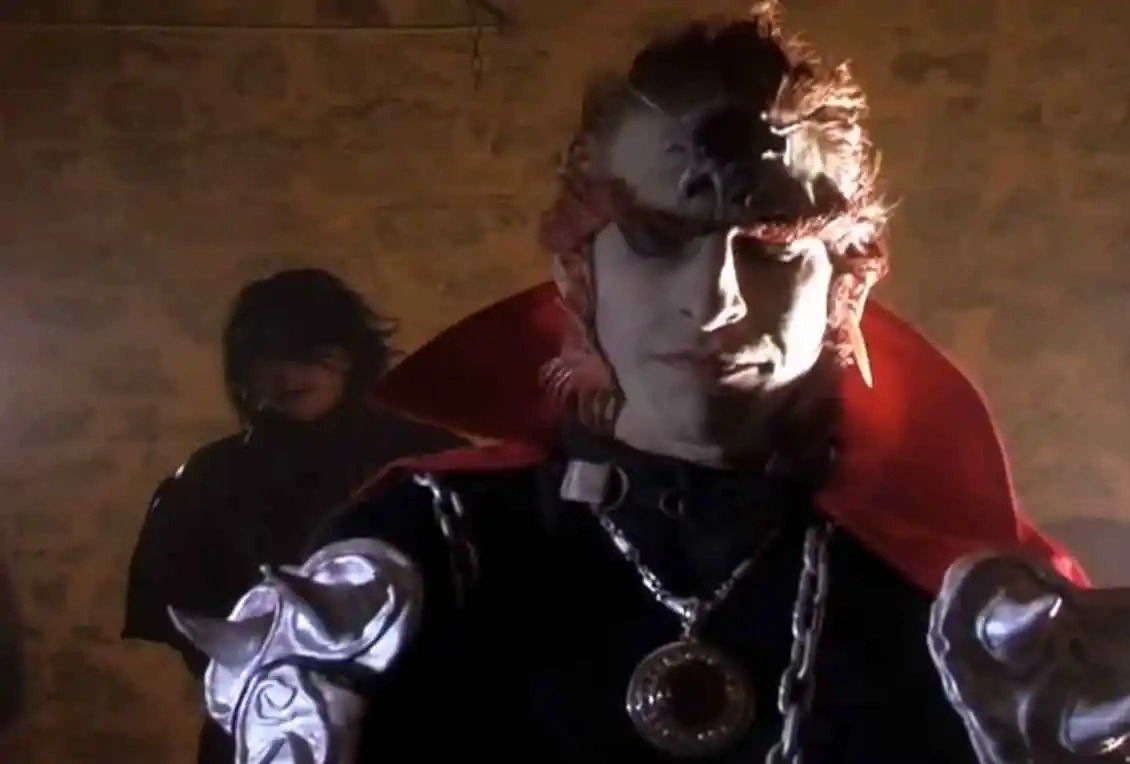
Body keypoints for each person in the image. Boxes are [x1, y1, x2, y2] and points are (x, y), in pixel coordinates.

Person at [168, 7, 1089, 763]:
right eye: (657, 240)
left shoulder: (964, 614)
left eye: (772, 250)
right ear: (579, 271)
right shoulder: (422, 556)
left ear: (846, 281)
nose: (714, 301)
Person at [121, 268, 466, 763]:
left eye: (306, 352)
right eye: (267, 357)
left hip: (417, 724)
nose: (287, 374)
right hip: (266, 726)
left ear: (349, 354)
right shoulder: (207, 480)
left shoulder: (427, 461)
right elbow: (192, 625)